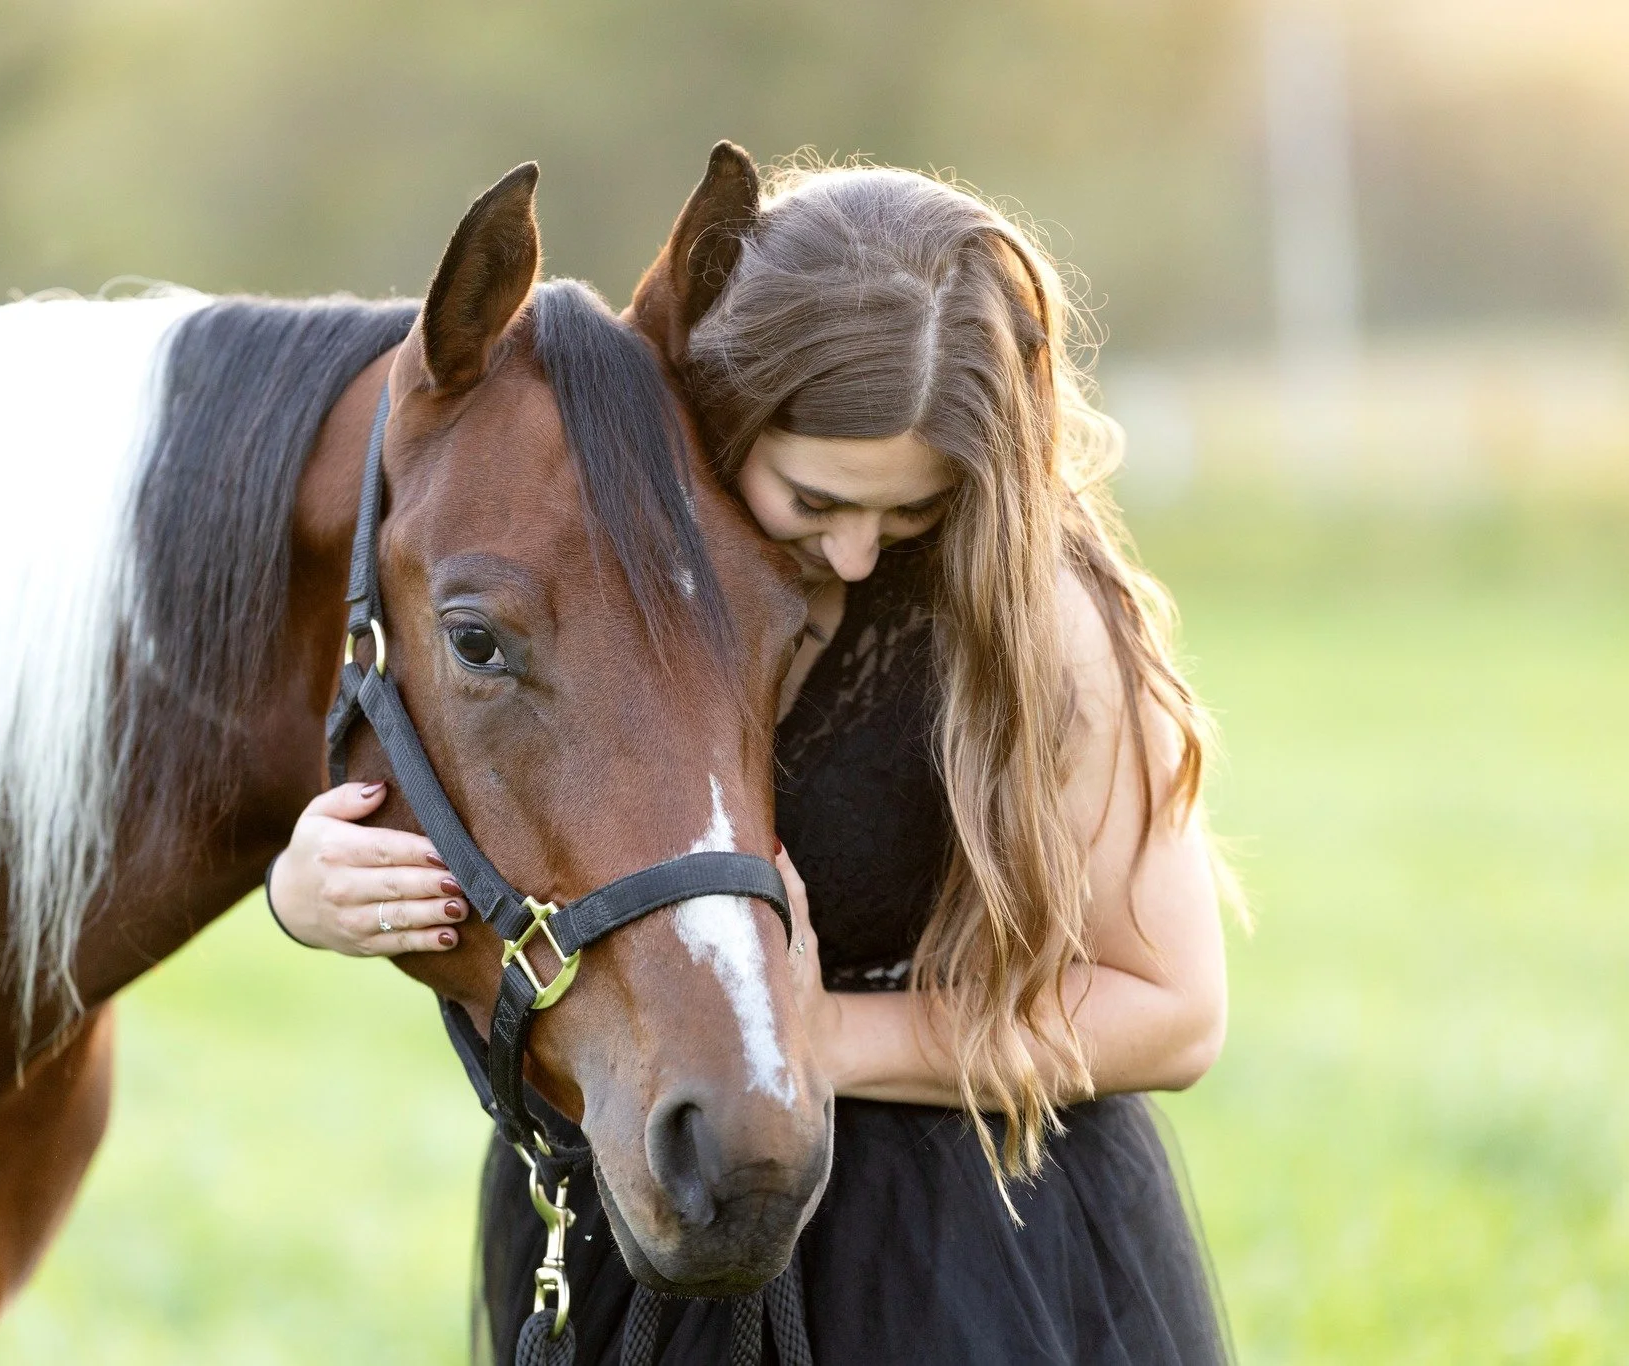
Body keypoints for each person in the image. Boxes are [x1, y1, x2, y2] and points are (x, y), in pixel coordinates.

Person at [268, 160, 1234, 1363]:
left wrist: (826, 1036)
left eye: (912, 511)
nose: (857, 553)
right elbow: (538, 803)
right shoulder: (650, 571)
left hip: (957, 1241)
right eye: (817, 497)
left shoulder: (1037, 614)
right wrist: (312, 883)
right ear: (723, 406)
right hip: (653, 1175)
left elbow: (1175, 1010)